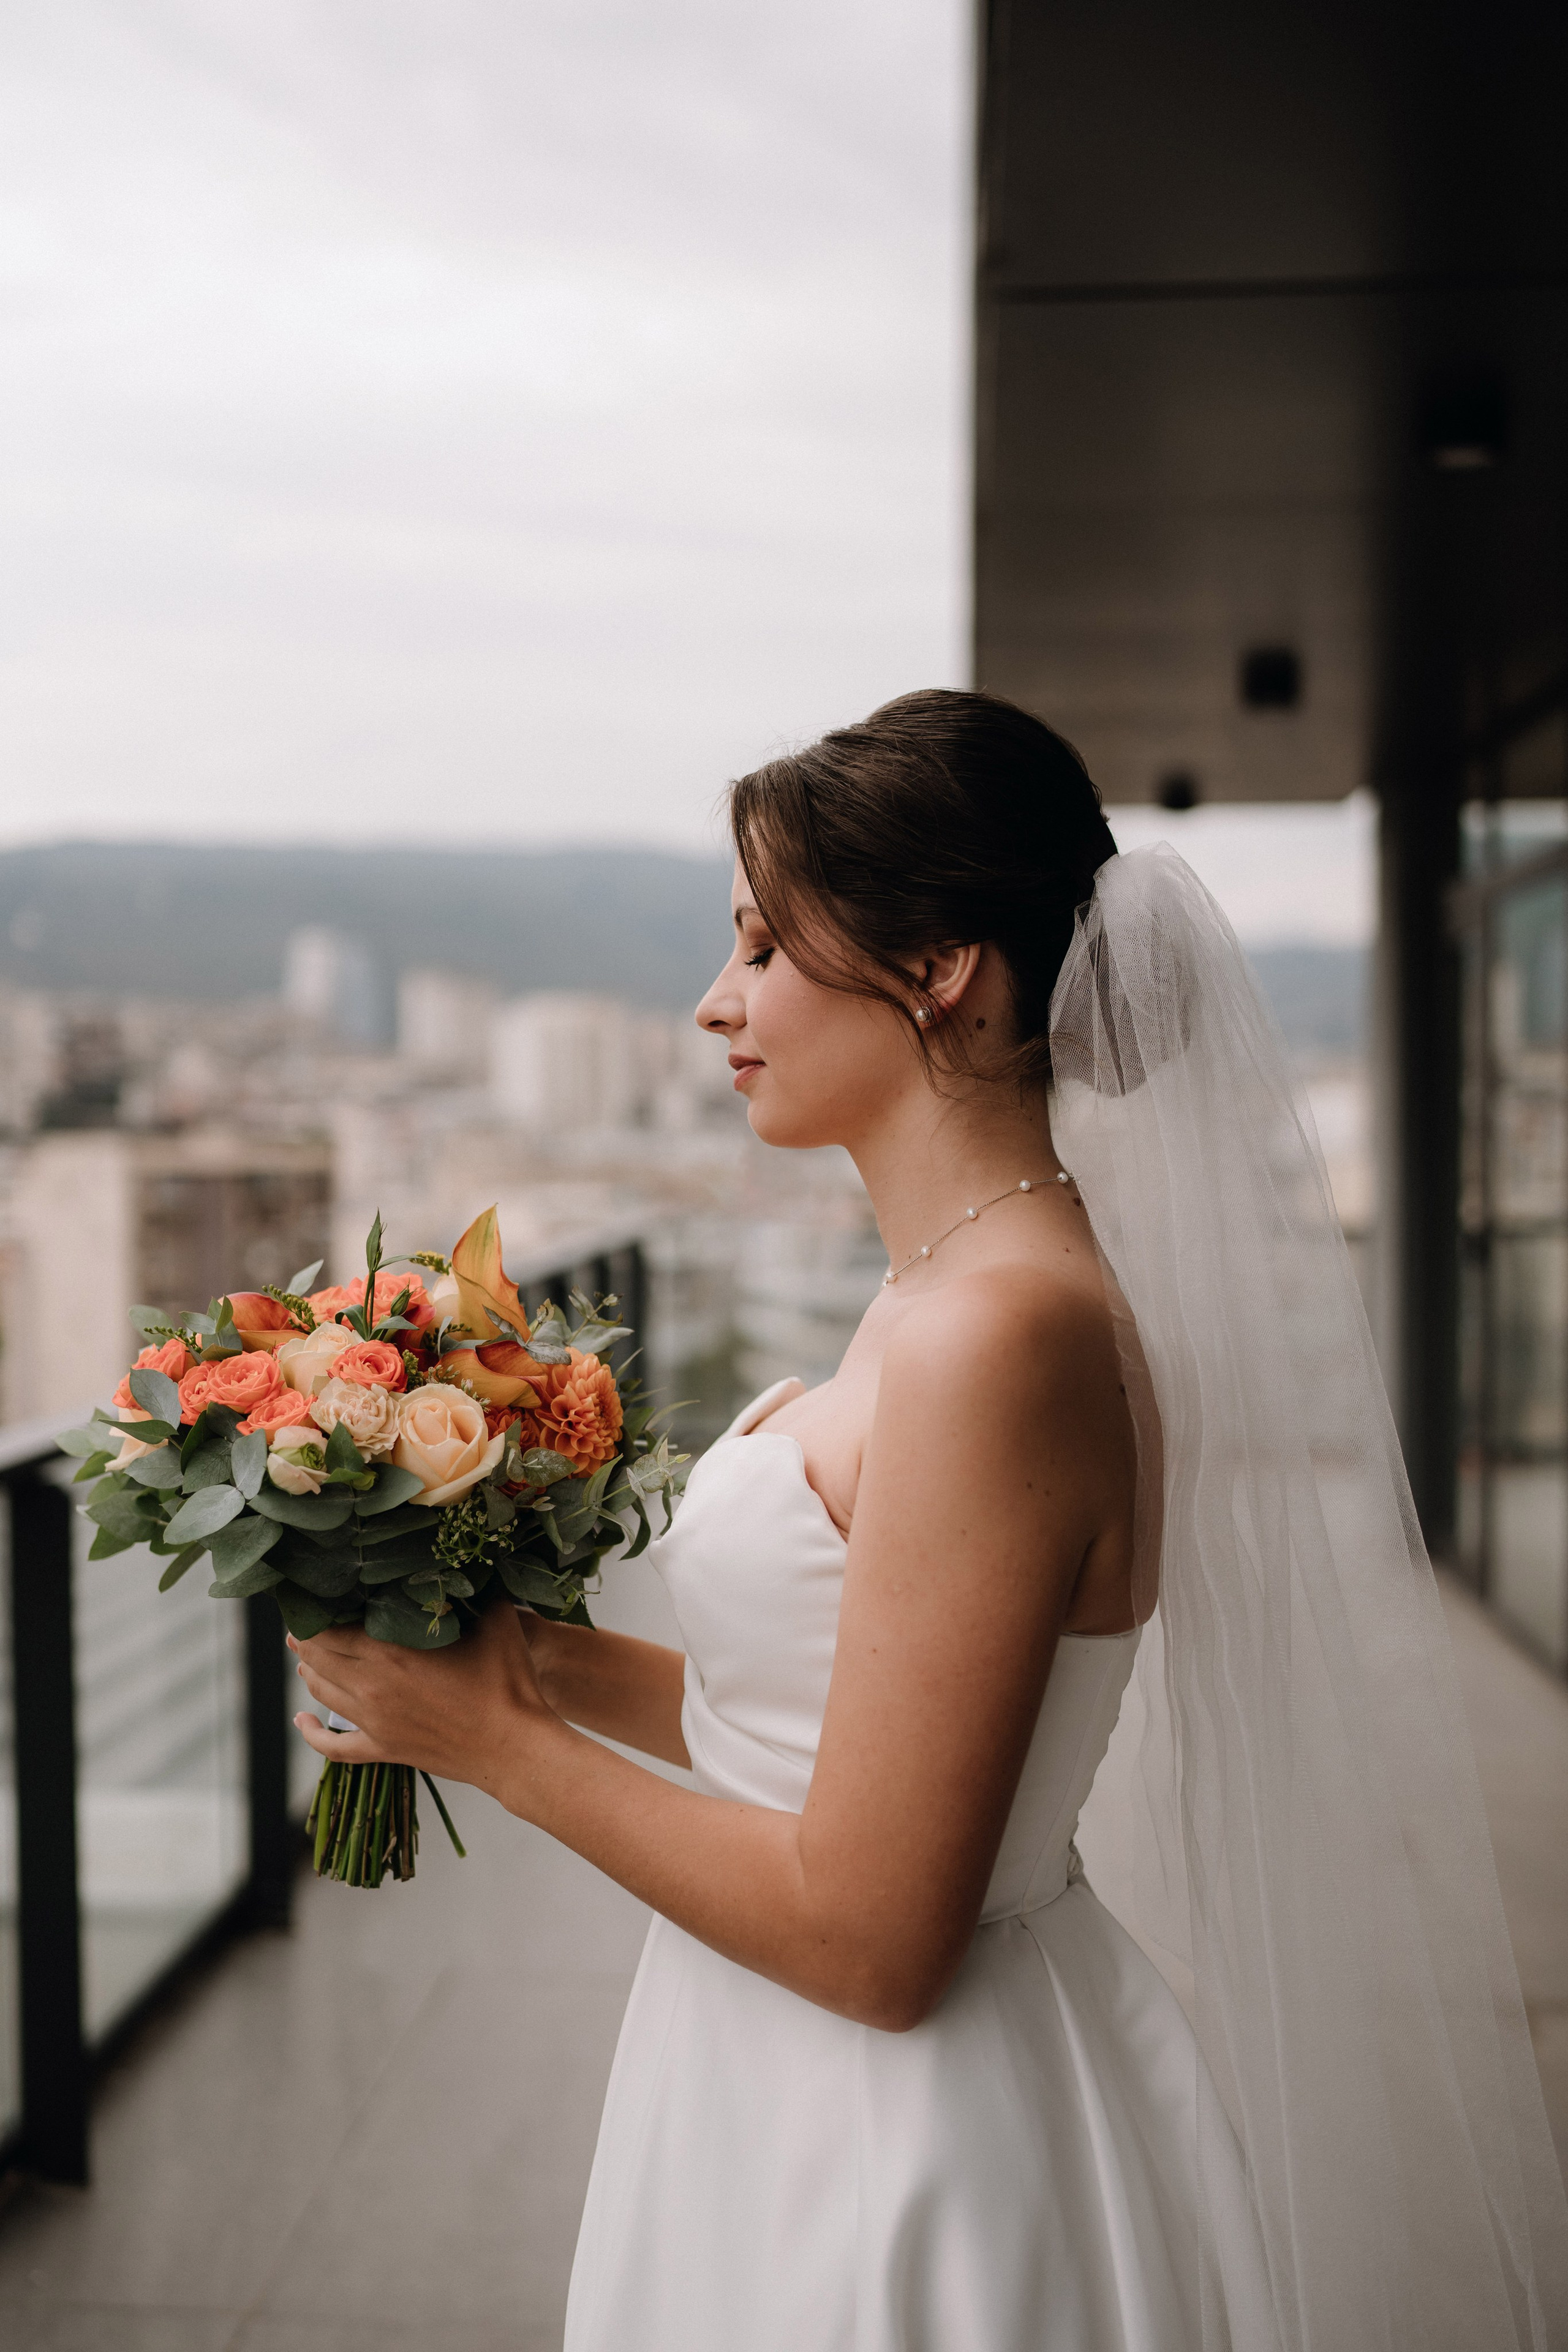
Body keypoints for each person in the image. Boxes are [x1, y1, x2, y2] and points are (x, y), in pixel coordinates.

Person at [293, 690, 1568, 2350]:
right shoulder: (950, 1293)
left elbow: (879, 1943)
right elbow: (828, 1725)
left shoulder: (996, 1336)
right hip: (784, 2065)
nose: (714, 1001)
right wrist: (530, 1665)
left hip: (897, 2138)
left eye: (763, 946)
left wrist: (495, 1745)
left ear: (939, 965)